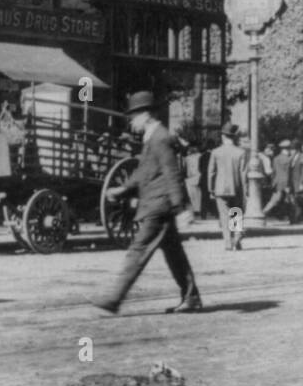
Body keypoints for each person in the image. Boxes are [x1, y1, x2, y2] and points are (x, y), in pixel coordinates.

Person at [92, 90, 202, 315]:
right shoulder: (152, 138)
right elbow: (143, 172)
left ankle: (114, 298)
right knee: (174, 253)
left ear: (147, 115)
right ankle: (191, 297)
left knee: (137, 250)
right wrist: (122, 190)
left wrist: (181, 208)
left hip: (159, 206)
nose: (132, 121)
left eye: (134, 116)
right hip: (159, 204)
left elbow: (172, 174)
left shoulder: (160, 137)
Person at [208, 121, 248, 250]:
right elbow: (243, 173)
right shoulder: (241, 152)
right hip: (236, 187)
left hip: (220, 188)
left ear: (223, 136)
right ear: (233, 137)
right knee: (236, 213)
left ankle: (227, 243)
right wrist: (245, 190)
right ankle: (236, 236)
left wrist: (211, 188)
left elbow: (211, 172)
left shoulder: (216, 152)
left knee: (224, 216)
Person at [263, 139, 299, 222]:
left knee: (275, 201)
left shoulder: (276, 158)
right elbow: (287, 174)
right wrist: (288, 186)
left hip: (278, 183)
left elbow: (274, 173)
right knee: (291, 201)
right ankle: (293, 219)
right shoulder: (288, 160)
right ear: (288, 149)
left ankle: (263, 213)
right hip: (286, 184)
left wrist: (273, 183)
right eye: (290, 149)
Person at [182, 140, 203, 218]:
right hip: (194, 177)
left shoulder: (196, 156)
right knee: (196, 194)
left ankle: (197, 209)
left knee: (194, 194)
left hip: (193, 177)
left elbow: (185, 168)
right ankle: (197, 209)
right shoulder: (189, 157)